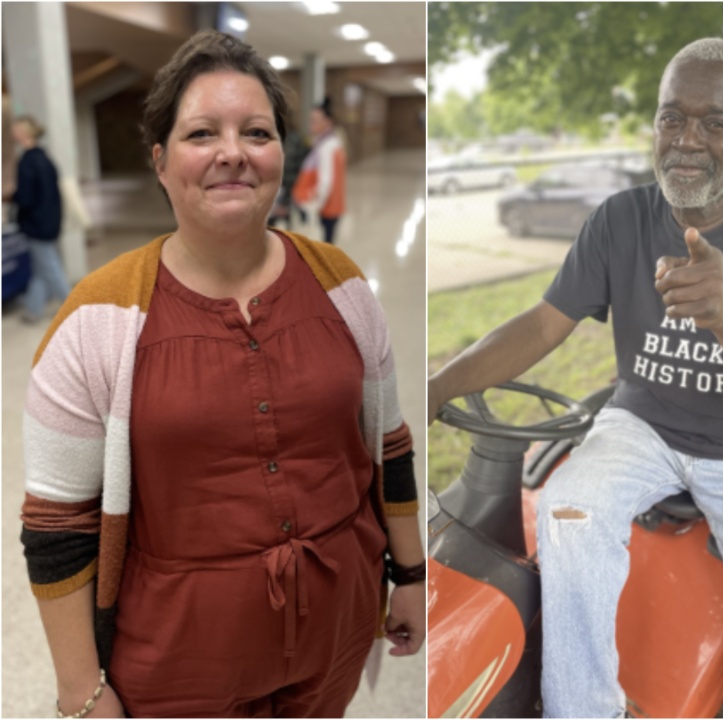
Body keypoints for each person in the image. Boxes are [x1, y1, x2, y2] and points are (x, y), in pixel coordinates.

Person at [20, 31, 425, 718]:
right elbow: (58, 526)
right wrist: (82, 691)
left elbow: (388, 446)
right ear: (160, 159)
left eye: (257, 132)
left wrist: (409, 574)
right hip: (178, 663)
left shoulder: (342, 287)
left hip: (336, 634)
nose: (232, 152)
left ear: (279, 154)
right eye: (202, 132)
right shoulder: (97, 320)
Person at [429, 37, 723, 717]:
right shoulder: (620, 219)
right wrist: (439, 383)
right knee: (568, 512)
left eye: (715, 123)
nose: (686, 140)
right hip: (640, 426)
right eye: (672, 117)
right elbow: (540, 325)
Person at [7, 115, 72, 324]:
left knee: (50, 268)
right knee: (41, 268)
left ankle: (73, 310)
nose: (11, 134)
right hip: (50, 221)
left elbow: (25, 198)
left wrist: (10, 196)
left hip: (36, 224)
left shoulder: (27, 161)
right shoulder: (45, 158)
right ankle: (34, 311)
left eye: (14, 130)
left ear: (22, 133)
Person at [292, 97, 346, 244]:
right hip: (330, 207)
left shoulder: (327, 147)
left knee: (323, 248)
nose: (311, 124)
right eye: (311, 120)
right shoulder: (331, 142)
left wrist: (313, 209)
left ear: (328, 122)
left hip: (325, 208)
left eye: (315, 121)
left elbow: (326, 182)